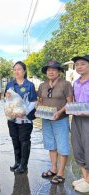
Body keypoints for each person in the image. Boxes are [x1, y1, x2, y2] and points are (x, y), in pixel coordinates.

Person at [38, 61, 73, 184]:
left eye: (54, 70)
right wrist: (40, 109)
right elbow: (40, 101)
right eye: (48, 70)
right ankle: (53, 168)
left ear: (59, 72)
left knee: (62, 145)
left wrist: (60, 112)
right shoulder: (43, 85)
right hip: (46, 119)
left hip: (60, 119)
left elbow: (70, 102)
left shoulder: (66, 84)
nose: (51, 72)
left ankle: (61, 173)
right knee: (50, 144)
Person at [5, 61, 37, 174]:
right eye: (14, 69)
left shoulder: (29, 85)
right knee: (15, 139)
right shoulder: (9, 84)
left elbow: (34, 101)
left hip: (25, 118)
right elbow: (7, 101)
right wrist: (7, 97)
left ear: (24, 71)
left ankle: (24, 165)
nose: (16, 71)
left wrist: (24, 111)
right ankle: (17, 162)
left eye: (19, 69)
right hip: (12, 117)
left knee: (24, 140)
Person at [70, 55, 89, 193]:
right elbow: (74, 102)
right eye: (77, 65)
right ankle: (85, 177)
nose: (79, 66)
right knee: (77, 147)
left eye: (82, 64)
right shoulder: (75, 83)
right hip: (76, 119)